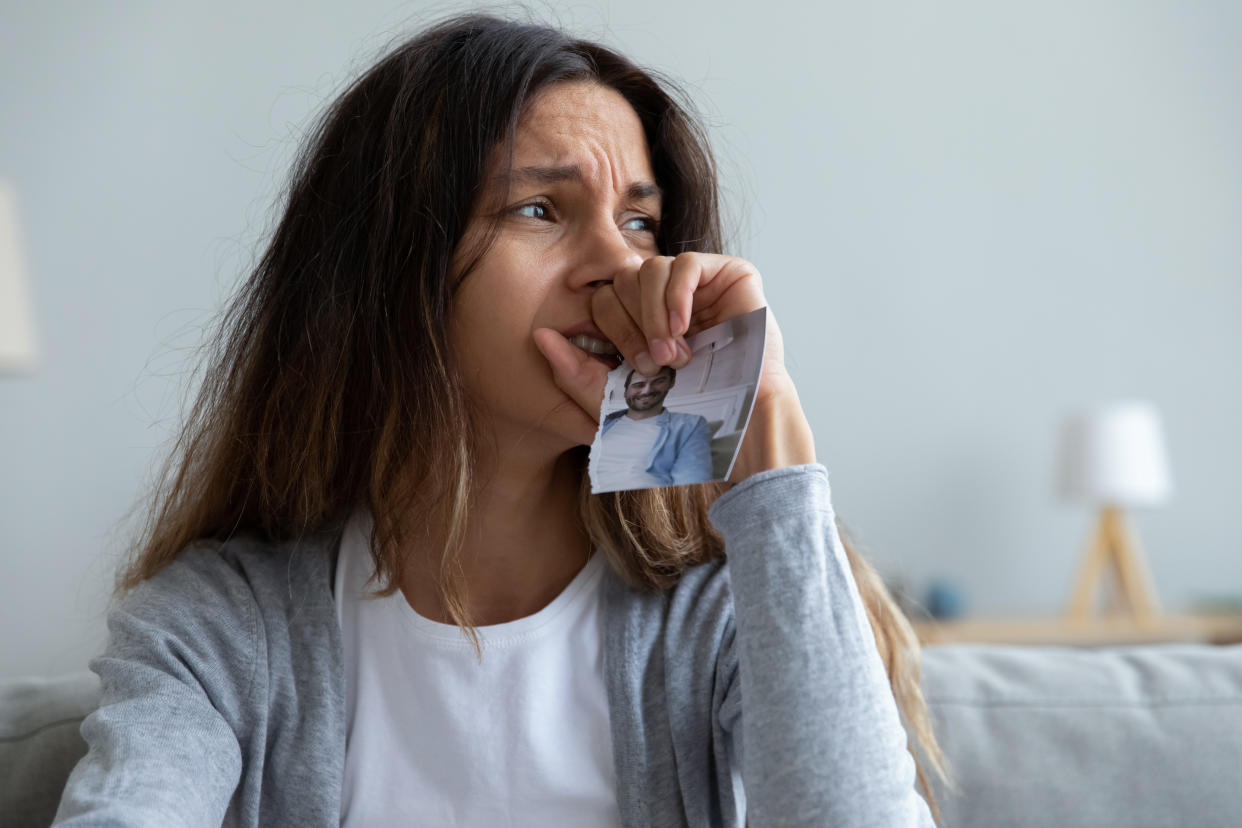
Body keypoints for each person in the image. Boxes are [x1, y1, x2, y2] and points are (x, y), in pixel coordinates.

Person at [54, 14, 953, 827]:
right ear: (391, 273)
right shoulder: (217, 630)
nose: (619, 264)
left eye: (641, 222)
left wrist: (762, 408)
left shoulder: (720, 610)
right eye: (540, 209)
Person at [595, 365, 714, 489]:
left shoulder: (689, 425)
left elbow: (692, 481)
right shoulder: (602, 422)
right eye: (639, 384)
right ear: (626, 392)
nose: (646, 391)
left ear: (671, 383)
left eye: (658, 381)